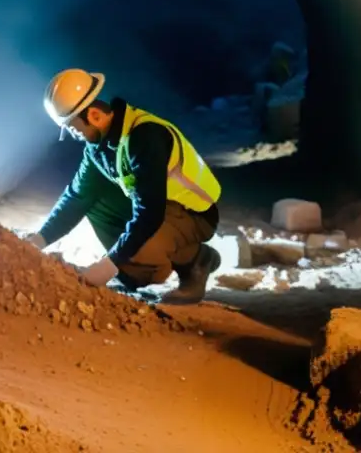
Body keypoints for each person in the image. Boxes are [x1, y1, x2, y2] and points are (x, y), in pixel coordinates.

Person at [25, 69, 222, 304]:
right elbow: (77, 196)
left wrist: (110, 264)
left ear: (95, 115)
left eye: (73, 127)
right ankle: (135, 266)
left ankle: (197, 260)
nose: (73, 135)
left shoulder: (144, 136)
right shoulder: (99, 146)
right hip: (162, 208)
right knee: (93, 200)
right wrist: (38, 241)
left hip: (194, 211)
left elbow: (150, 212)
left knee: (136, 261)